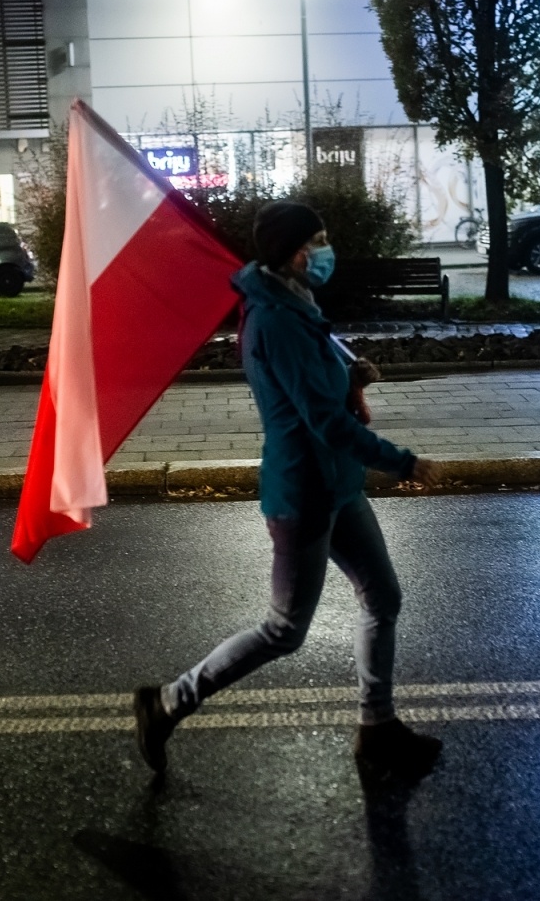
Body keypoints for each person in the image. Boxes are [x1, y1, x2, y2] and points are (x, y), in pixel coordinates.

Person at [134, 201, 445, 783]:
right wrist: (403, 463)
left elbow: (317, 392)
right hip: (304, 492)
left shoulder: (296, 303)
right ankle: (169, 702)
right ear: (295, 252)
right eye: (319, 239)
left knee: (382, 596)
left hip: (337, 484)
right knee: (284, 630)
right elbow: (322, 422)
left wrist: (350, 377)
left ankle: (377, 726)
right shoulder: (276, 320)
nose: (326, 250)